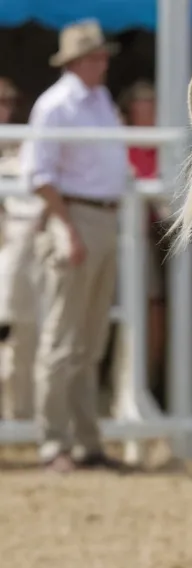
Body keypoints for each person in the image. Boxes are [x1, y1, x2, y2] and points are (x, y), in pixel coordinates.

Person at [22, 19, 129, 472]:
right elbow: (39, 174)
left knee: (89, 341)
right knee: (64, 339)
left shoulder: (98, 99)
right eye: (96, 56)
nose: (103, 62)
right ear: (77, 61)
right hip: (76, 215)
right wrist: (66, 227)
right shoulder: (55, 105)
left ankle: (86, 442)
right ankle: (54, 442)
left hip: (101, 215)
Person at [118, 79, 169, 407]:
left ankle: (151, 387)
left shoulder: (165, 144)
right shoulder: (122, 141)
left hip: (160, 239)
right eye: (143, 102)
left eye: (153, 101)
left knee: (156, 312)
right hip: (128, 239)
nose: (149, 108)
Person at [0, 77, 44, 422]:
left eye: (8, 101)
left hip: (16, 252)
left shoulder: (19, 148)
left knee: (20, 337)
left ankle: (20, 418)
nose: (4, 108)